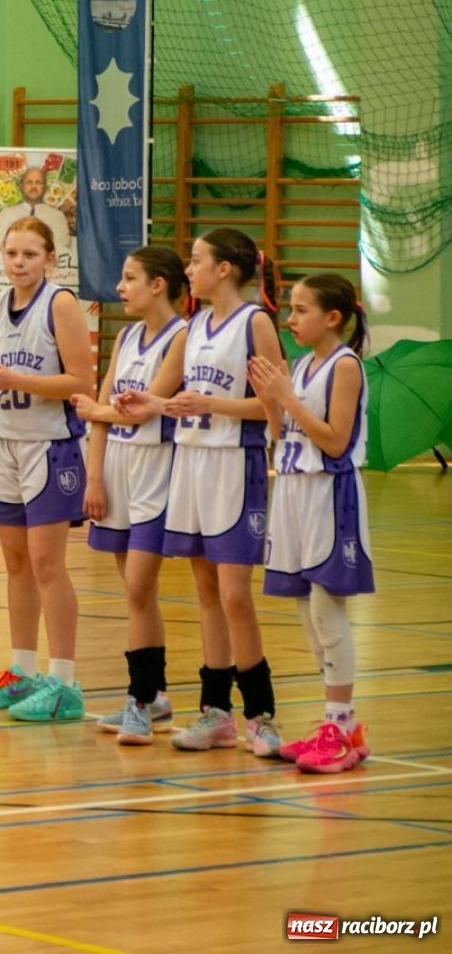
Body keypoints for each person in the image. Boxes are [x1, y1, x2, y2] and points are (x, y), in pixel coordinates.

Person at [116, 228, 286, 757]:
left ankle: (260, 715)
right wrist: (139, 403)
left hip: (235, 465)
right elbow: (172, 399)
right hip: (191, 465)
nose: (189, 270)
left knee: (236, 595)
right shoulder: (192, 329)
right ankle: (216, 713)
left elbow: (275, 405)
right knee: (207, 593)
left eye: (196, 261)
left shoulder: (254, 322)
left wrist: (210, 406)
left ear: (225, 270)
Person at [0, 216, 94, 722]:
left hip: (52, 445)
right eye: (12, 254)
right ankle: (21, 671)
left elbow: (82, 381)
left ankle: (63, 681)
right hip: (9, 443)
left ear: (50, 260)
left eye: (30, 254)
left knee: (46, 565)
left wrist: (14, 376)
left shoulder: (60, 303)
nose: (19, 262)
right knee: (15, 564)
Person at [249, 274, 373, 773]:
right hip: (294, 489)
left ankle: (340, 726)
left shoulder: (345, 366)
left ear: (333, 317)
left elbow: (336, 441)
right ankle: (337, 726)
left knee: (326, 611)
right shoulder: (300, 366)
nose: (291, 319)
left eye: (300, 311)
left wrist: (288, 396)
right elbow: (285, 436)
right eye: (291, 309)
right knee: (306, 612)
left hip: (330, 492)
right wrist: (269, 401)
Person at [72, 245, 188, 742]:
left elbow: (141, 409)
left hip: (156, 472)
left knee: (139, 585)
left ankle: (139, 700)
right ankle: (154, 693)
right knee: (134, 591)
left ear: (158, 284)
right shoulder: (126, 336)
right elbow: (102, 410)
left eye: (129, 278)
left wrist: (97, 412)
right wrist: (93, 477)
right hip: (117, 469)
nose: (120, 287)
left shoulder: (182, 336)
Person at [0, 164, 71, 253]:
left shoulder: (57, 216)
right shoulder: (6, 213)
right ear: (21, 186)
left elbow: (61, 250)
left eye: (39, 182)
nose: (34, 186)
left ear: (45, 187)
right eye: (29, 182)